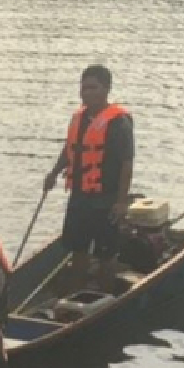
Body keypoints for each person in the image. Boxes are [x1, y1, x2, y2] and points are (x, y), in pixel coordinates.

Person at [43, 64, 134, 287]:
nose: (87, 93)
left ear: (106, 89)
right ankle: (75, 289)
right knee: (78, 248)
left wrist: (121, 202)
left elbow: (127, 163)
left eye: (93, 88)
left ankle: (103, 293)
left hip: (106, 198)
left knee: (106, 253)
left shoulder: (118, 123)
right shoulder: (79, 118)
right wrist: (54, 173)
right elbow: (70, 148)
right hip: (80, 195)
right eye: (83, 88)